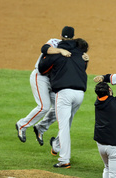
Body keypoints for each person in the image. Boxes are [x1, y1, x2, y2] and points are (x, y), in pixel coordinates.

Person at [16, 26, 76, 146]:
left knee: (59, 108)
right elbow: (44, 48)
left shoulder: (72, 48)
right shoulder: (54, 42)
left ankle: (40, 128)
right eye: (63, 38)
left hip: (53, 81)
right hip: (40, 77)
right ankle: (22, 125)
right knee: (44, 106)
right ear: (60, 36)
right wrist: (60, 50)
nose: (64, 40)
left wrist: (84, 57)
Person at [38, 37, 89, 168]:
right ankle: (56, 146)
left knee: (64, 127)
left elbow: (41, 69)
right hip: (80, 95)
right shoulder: (81, 56)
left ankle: (64, 159)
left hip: (64, 94)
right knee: (68, 123)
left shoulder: (58, 54)